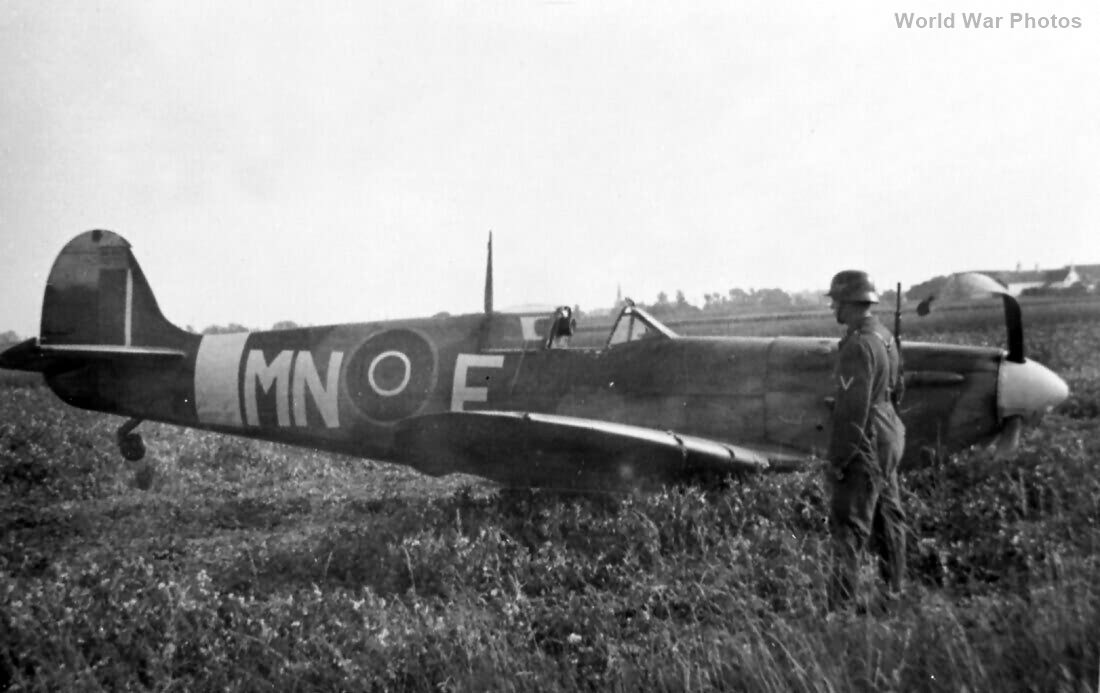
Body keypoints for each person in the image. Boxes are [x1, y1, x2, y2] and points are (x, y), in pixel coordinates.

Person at [824, 270, 907, 609]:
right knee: (889, 518)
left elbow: (852, 412)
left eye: (836, 302)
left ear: (850, 302)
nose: (834, 308)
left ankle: (840, 609)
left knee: (849, 524)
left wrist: (838, 460)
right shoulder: (885, 337)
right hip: (889, 431)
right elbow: (897, 388)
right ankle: (892, 594)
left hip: (867, 436)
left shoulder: (857, 345)